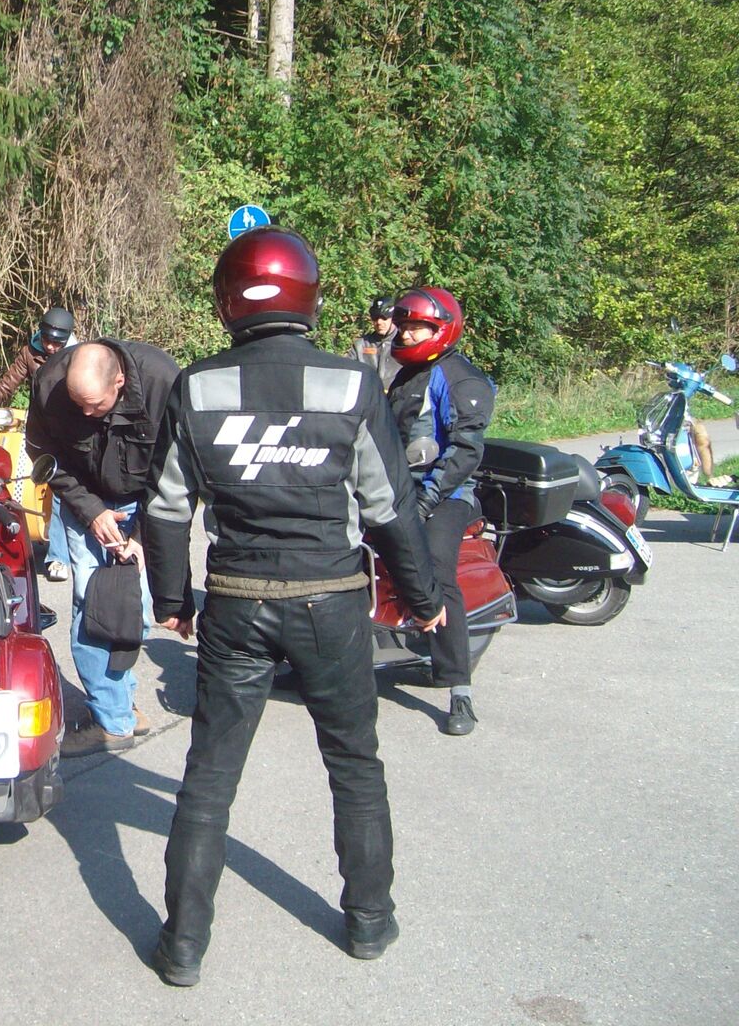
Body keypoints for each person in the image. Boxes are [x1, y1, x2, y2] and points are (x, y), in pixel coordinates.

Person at [142, 227, 445, 986]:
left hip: (237, 604)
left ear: (227, 301)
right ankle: (369, 922)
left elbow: (166, 508)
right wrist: (423, 598)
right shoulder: (353, 384)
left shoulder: (197, 386)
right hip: (332, 603)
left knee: (210, 777)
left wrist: (173, 600)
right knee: (354, 765)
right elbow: (389, 508)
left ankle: (182, 946)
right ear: (308, 294)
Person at [25, 335, 179, 754]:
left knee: (131, 608)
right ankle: (114, 720)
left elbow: (177, 468)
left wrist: (142, 536)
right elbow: (43, 455)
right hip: (83, 500)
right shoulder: (50, 383)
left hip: (143, 504)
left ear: (120, 382)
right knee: (92, 605)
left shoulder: (162, 380)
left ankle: (119, 704)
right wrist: (91, 511)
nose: (86, 414)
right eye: (78, 405)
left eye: (94, 405)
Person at [388, 286, 496, 736]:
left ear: (441, 330)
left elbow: (465, 451)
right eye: (405, 325)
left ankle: (458, 689)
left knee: (435, 566)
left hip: (447, 495)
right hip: (397, 490)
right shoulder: (406, 375)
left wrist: (427, 500)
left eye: (417, 327)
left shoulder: (459, 379)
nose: (406, 334)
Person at [0, 307, 80, 581]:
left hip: (70, 428)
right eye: (47, 340)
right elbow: (8, 384)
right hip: (40, 427)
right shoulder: (31, 352)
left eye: (57, 343)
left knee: (61, 487)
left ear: (67, 339)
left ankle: (58, 558)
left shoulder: (79, 355)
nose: (50, 348)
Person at [350, 295, 401, 387]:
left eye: (384, 318)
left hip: (395, 394)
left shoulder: (404, 344)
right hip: (368, 393)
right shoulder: (360, 345)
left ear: (394, 318)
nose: (379, 322)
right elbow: (348, 371)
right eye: (375, 318)